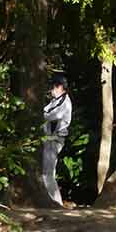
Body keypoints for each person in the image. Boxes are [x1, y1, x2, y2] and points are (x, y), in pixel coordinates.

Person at [41, 73, 72, 207]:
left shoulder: (64, 102)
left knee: (48, 173)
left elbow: (49, 115)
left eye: (53, 87)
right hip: (50, 139)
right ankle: (55, 202)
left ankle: (55, 203)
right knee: (48, 172)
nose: (51, 91)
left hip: (55, 139)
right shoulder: (57, 100)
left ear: (59, 87)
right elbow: (46, 111)